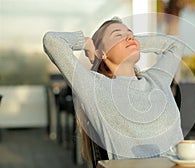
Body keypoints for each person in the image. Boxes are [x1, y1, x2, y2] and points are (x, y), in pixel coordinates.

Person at [43, 17, 184, 160]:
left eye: (130, 33)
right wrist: (86, 42)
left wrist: (134, 42)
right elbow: (52, 41)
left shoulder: (157, 79)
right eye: (117, 35)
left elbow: (176, 45)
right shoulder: (94, 88)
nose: (129, 36)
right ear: (101, 53)